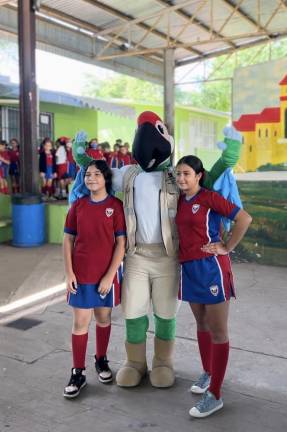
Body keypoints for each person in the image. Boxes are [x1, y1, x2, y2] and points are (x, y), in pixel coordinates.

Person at [70, 113, 243, 390]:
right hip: (136, 257)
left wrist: (228, 159)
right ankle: (135, 362)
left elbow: (205, 181)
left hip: (168, 258)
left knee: (165, 313)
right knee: (134, 312)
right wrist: (83, 160)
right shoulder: (126, 175)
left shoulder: (177, 176)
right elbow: (98, 175)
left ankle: (163, 361)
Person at [175, 155, 252, 418]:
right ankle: (208, 373)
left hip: (212, 270)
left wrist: (227, 246)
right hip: (189, 269)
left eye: (186, 173)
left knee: (218, 331)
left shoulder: (209, 198)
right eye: (178, 174)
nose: (182, 178)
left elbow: (244, 219)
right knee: (201, 324)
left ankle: (215, 395)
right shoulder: (178, 200)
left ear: (199, 176)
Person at [63, 160, 126, 399]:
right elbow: (68, 240)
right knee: (80, 323)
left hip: (105, 277)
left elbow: (121, 243)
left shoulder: (115, 206)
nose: (91, 178)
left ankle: (101, 360)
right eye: (87, 175)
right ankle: (77, 372)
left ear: (106, 178)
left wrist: (110, 276)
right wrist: (69, 273)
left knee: (103, 317)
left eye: (96, 174)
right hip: (81, 274)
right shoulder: (78, 206)